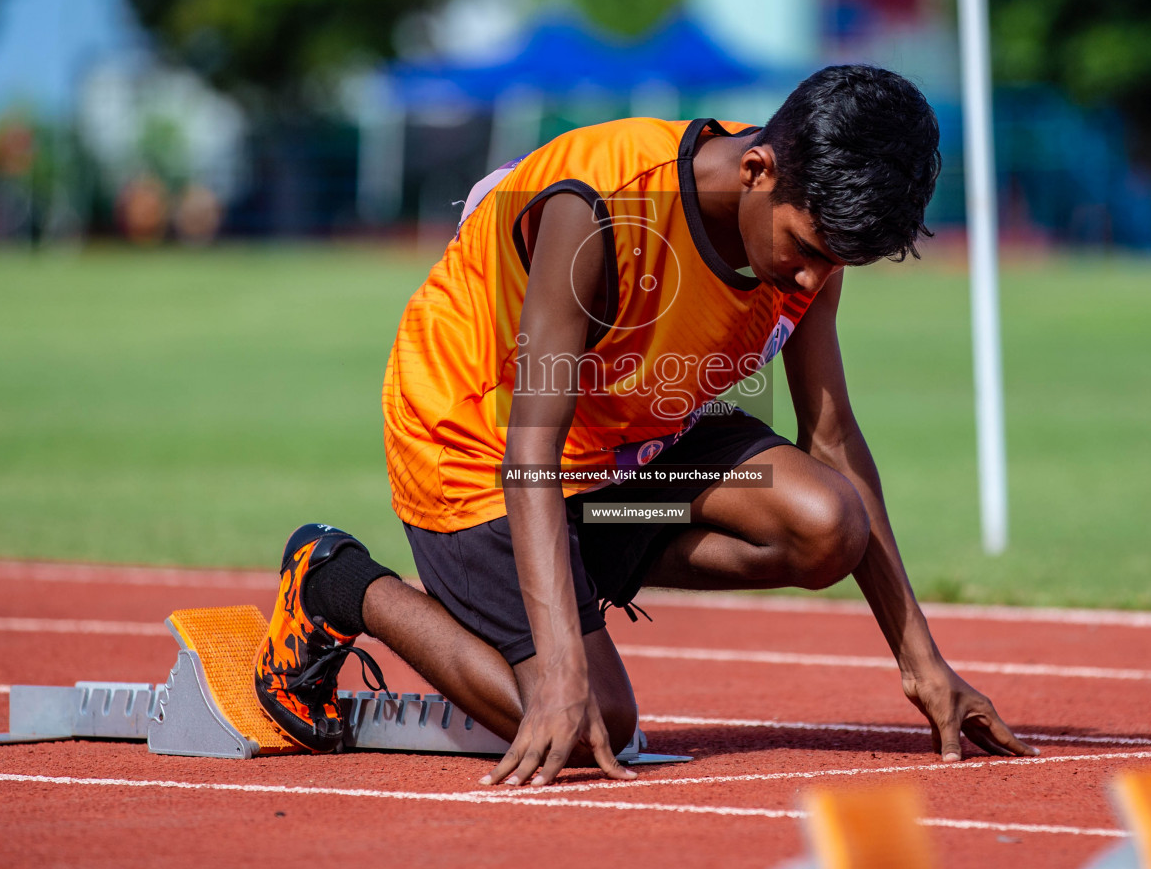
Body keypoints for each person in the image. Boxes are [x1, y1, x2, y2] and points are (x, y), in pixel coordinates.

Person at [254, 65, 1038, 787]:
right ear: (758, 169)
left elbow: (832, 442)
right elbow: (531, 447)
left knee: (830, 524)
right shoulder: (598, 207)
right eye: (805, 251)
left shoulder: (807, 241)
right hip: (477, 436)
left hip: (627, 454)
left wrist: (921, 659)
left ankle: (582, 558)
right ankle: (338, 580)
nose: (811, 280)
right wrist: (561, 672)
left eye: (834, 265)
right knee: (598, 720)